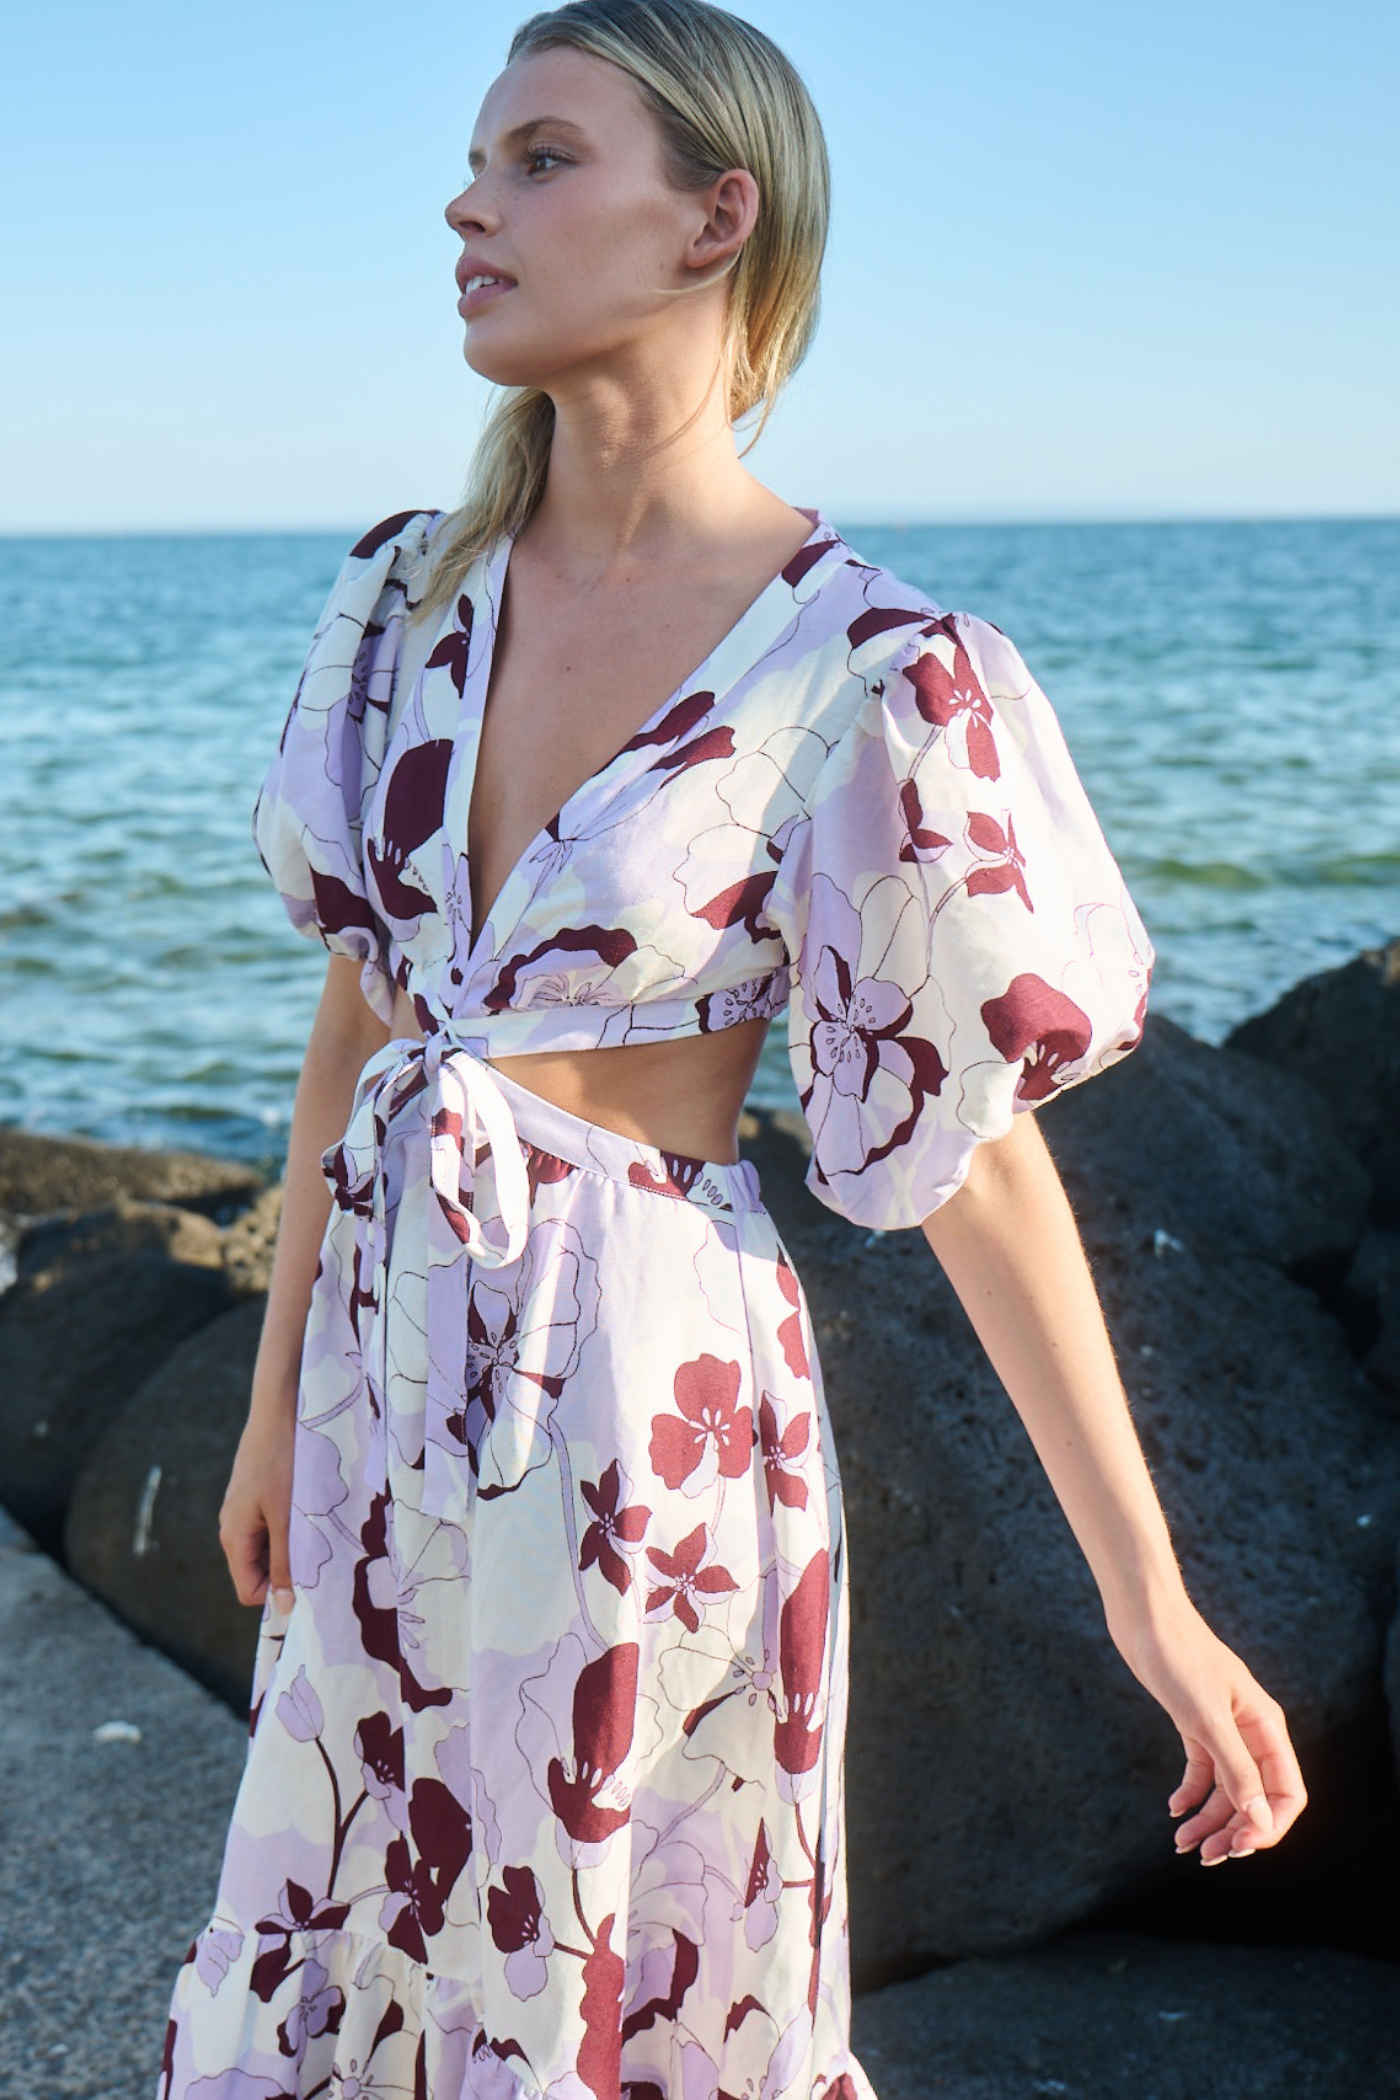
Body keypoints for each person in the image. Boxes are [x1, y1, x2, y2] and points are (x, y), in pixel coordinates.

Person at [156, 2, 1306, 2093]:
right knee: (363, 1936)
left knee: (600, 1958)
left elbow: (972, 1152)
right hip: (383, 1367)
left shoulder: (874, 669)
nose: (467, 206)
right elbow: (367, 1008)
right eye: (475, 163)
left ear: (715, 219)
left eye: (537, 158)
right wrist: (267, 1403)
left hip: (640, 1390)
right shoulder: (405, 598)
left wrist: (1152, 1601)